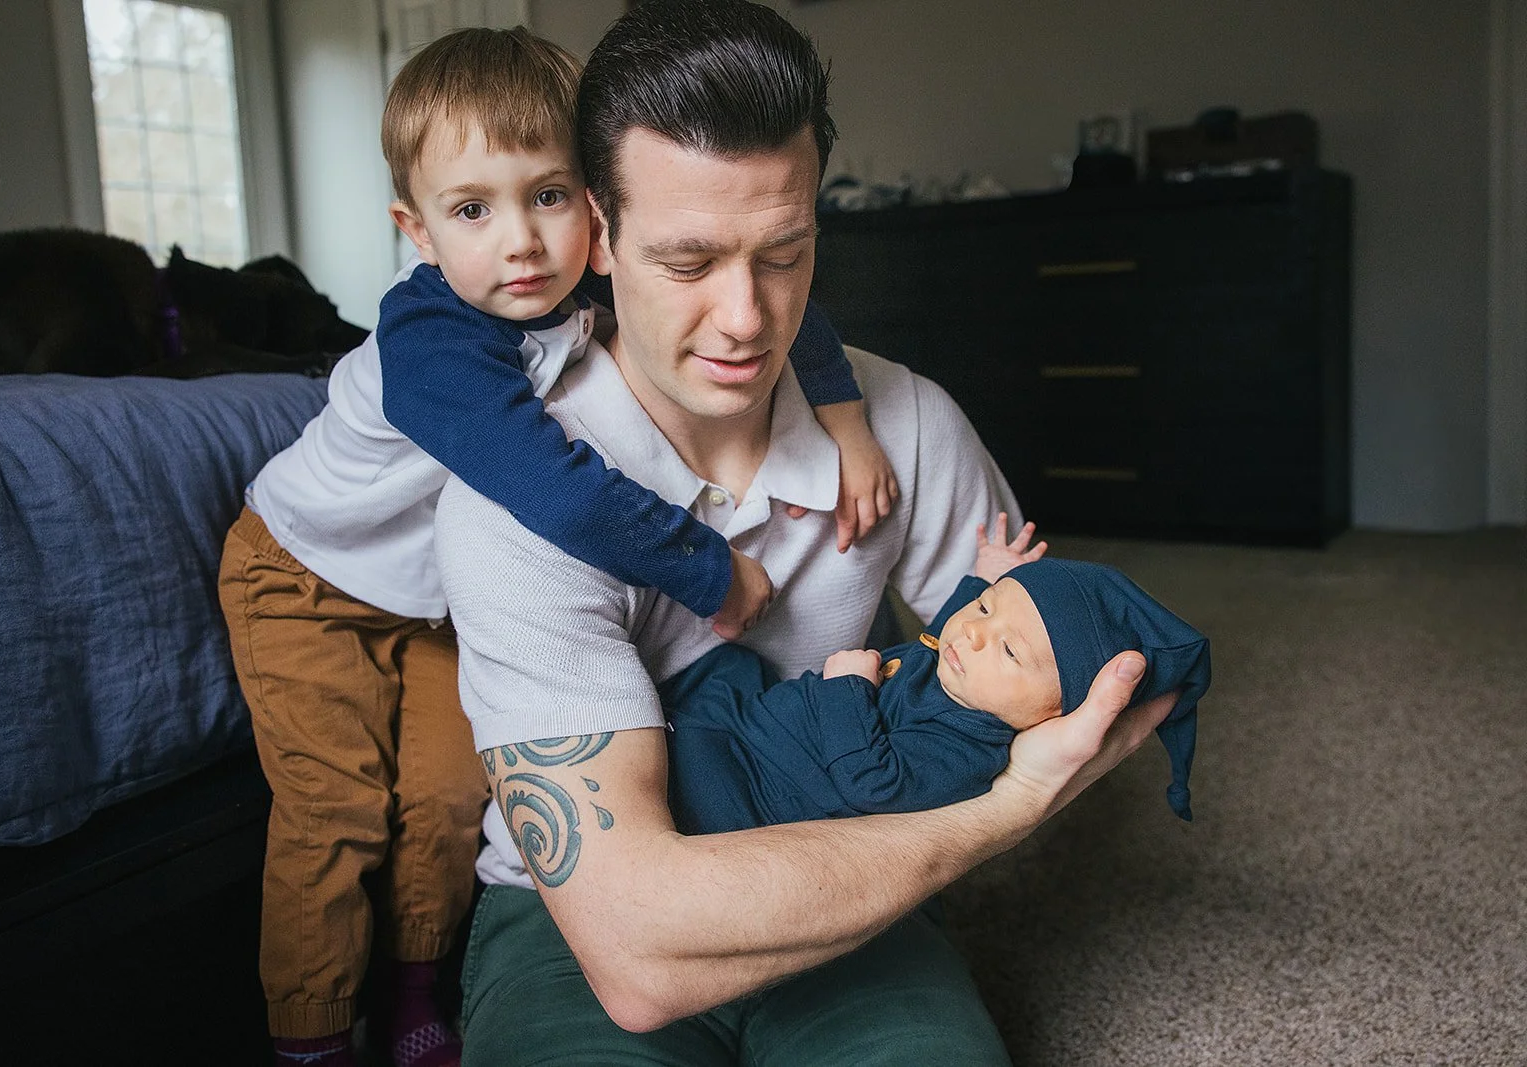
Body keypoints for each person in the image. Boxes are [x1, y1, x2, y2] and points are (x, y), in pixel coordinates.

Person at [430, 2, 1180, 1063]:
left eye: (783, 253)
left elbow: (1063, 661)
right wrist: (1000, 812)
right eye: (690, 264)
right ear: (596, 232)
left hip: (846, 874)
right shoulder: (515, 497)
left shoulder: (906, 421)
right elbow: (638, 957)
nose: (747, 317)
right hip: (577, 922)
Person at [216, 25, 896, 1067]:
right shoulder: (433, 346)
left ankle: (416, 990)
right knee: (338, 810)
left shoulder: (583, 286)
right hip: (303, 577)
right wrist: (709, 567)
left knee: (450, 795)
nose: (522, 243)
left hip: (429, 595)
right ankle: (309, 1032)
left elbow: (759, 285)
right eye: (473, 211)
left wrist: (846, 421)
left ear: (602, 213)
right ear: (418, 231)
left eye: (548, 196)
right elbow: (557, 493)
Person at [661, 515, 1212, 836]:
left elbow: (874, 784)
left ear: (1053, 713)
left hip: (756, 788)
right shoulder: (966, 668)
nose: (972, 633)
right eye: (988, 609)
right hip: (763, 718)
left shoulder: (967, 750)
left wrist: (849, 687)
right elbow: (955, 628)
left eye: (1011, 652)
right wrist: (985, 579)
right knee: (718, 665)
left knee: (682, 753)